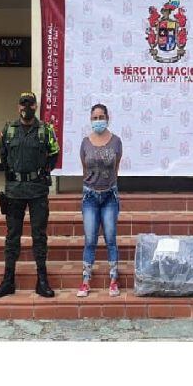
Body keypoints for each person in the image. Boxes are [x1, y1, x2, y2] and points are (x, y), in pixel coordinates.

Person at [0, 91, 60, 298]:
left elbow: (54, 154)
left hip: (37, 190)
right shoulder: (9, 130)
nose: (26, 108)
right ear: (18, 107)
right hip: (14, 191)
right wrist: (14, 176)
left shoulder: (46, 130)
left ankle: (42, 280)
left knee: (39, 236)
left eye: (30, 104)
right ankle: (8, 281)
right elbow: (3, 155)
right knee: (12, 237)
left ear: (35, 106)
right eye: (23, 104)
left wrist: (43, 173)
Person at [76, 104, 124, 298]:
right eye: (95, 118)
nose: (98, 121)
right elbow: (84, 167)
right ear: (90, 119)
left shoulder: (116, 142)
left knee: (111, 238)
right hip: (90, 197)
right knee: (90, 239)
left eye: (101, 117)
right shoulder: (85, 142)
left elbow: (116, 166)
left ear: (108, 117)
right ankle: (86, 280)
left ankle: (114, 279)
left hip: (109, 196)